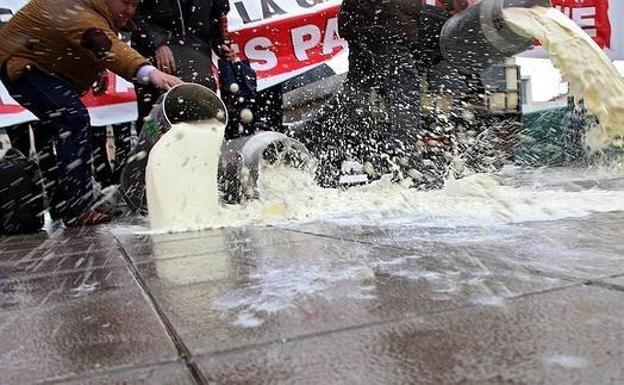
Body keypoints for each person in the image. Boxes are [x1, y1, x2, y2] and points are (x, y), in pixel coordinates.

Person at [0, 0, 182, 227]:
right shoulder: (80, 11)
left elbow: (92, 43)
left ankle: (66, 202)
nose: (129, 11)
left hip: (39, 64)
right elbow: (106, 45)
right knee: (73, 120)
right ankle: (76, 208)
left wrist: (96, 68)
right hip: (22, 64)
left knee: (69, 124)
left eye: (135, 5)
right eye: (125, 3)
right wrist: (150, 72)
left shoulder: (96, 9)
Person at [292, 0, 472, 187]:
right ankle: (401, 160)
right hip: (388, 22)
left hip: (362, 20)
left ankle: (305, 140)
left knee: (354, 96)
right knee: (403, 97)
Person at [131, 0, 236, 131]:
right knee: (155, 114)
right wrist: (157, 43)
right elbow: (134, 15)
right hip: (155, 54)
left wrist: (221, 44)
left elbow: (217, 16)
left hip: (197, 50)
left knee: (202, 104)